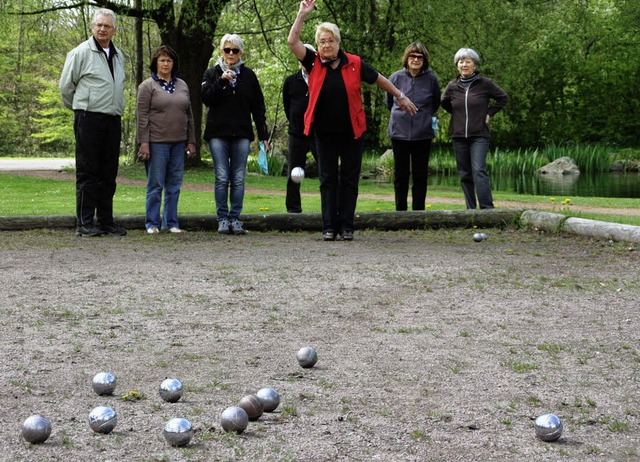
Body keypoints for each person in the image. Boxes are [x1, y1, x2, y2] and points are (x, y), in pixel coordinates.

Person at [288, 0, 417, 241]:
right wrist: (302, 15)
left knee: (349, 179)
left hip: (352, 133)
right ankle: (328, 227)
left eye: (331, 40)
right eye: (322, 41)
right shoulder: (313, 61)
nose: (327, 45)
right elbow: (292, 42)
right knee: (328, 180)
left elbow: (379, 78)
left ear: (338, 42)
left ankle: (346, 226)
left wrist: (399, 96)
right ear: (318, 45)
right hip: (324, 134)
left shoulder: (355, 63)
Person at [60, 8, 127, 237]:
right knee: (88, 171)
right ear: (92, 27)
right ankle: (84, 222)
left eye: (107, 26)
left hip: (112, 119)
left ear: (114, 30)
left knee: (108, 173)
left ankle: (106, 221)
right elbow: (65, 87)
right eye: (99, 25)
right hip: (88, 117)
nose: (102, 29)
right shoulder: (80, 53)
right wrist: (81, 108)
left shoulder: (119, 55)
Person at [201, 34, 270, 235]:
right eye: (227, 50)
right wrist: (222, 81)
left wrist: (264, 135)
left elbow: (258, 107)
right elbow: (206, 98)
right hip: (217, 133)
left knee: (238, 177)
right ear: (222, 52)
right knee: (222, 176)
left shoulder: (249, 76)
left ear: (240, 53)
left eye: (235, 50)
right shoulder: (211, 73)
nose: (231, 54)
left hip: (241, 132)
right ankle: (222, 218)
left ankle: (235, 218)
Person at [136, 45, 196, 235]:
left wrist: (191, 141)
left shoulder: (182, 85)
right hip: (156, 143)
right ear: (155, 63)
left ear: (173, 63)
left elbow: (190, 115)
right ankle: (152, 223)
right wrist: (143, 143)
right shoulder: (147, 86)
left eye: (169, 60)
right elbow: (142, 116)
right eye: (162, 60)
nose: (165, 64)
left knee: (174, 185)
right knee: (155, 184)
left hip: (178, 142)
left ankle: (171, 223)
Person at [441, 48, 509, 209]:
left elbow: (503, 98)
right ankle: (470, 210)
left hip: (479, 134)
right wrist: (457, 114)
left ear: (475, 65)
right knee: (465, 174)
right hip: (458, 135)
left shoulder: (485, 83)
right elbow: (444, 102)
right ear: (457, 65)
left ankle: (486, 208)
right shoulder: (452, 86)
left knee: (478, 170)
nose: (464, 65)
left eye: (468, 61)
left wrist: (489, 113)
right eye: (461, 62)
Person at [386, 42, 441, 211]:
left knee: (420, 175)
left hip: (422, 134)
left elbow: (435, 103)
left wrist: (422, 118)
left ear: (424, 60)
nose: (416, 60)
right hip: (399, 133)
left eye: (419, 57)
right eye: (412, 56)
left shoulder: (432, 79)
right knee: (401, 175)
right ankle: (400, 212)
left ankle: (418, 212)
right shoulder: (395, 78)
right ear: (407, 58)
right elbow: (389, 103)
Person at [282, 44, 318, 213]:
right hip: (297, 133)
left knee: (328, 172)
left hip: (319, 133)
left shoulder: (321, 79)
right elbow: (288, 107)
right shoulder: (290, 81)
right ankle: (293, 210)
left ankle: (333, 208)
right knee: (293, 173)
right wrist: (297, 122)